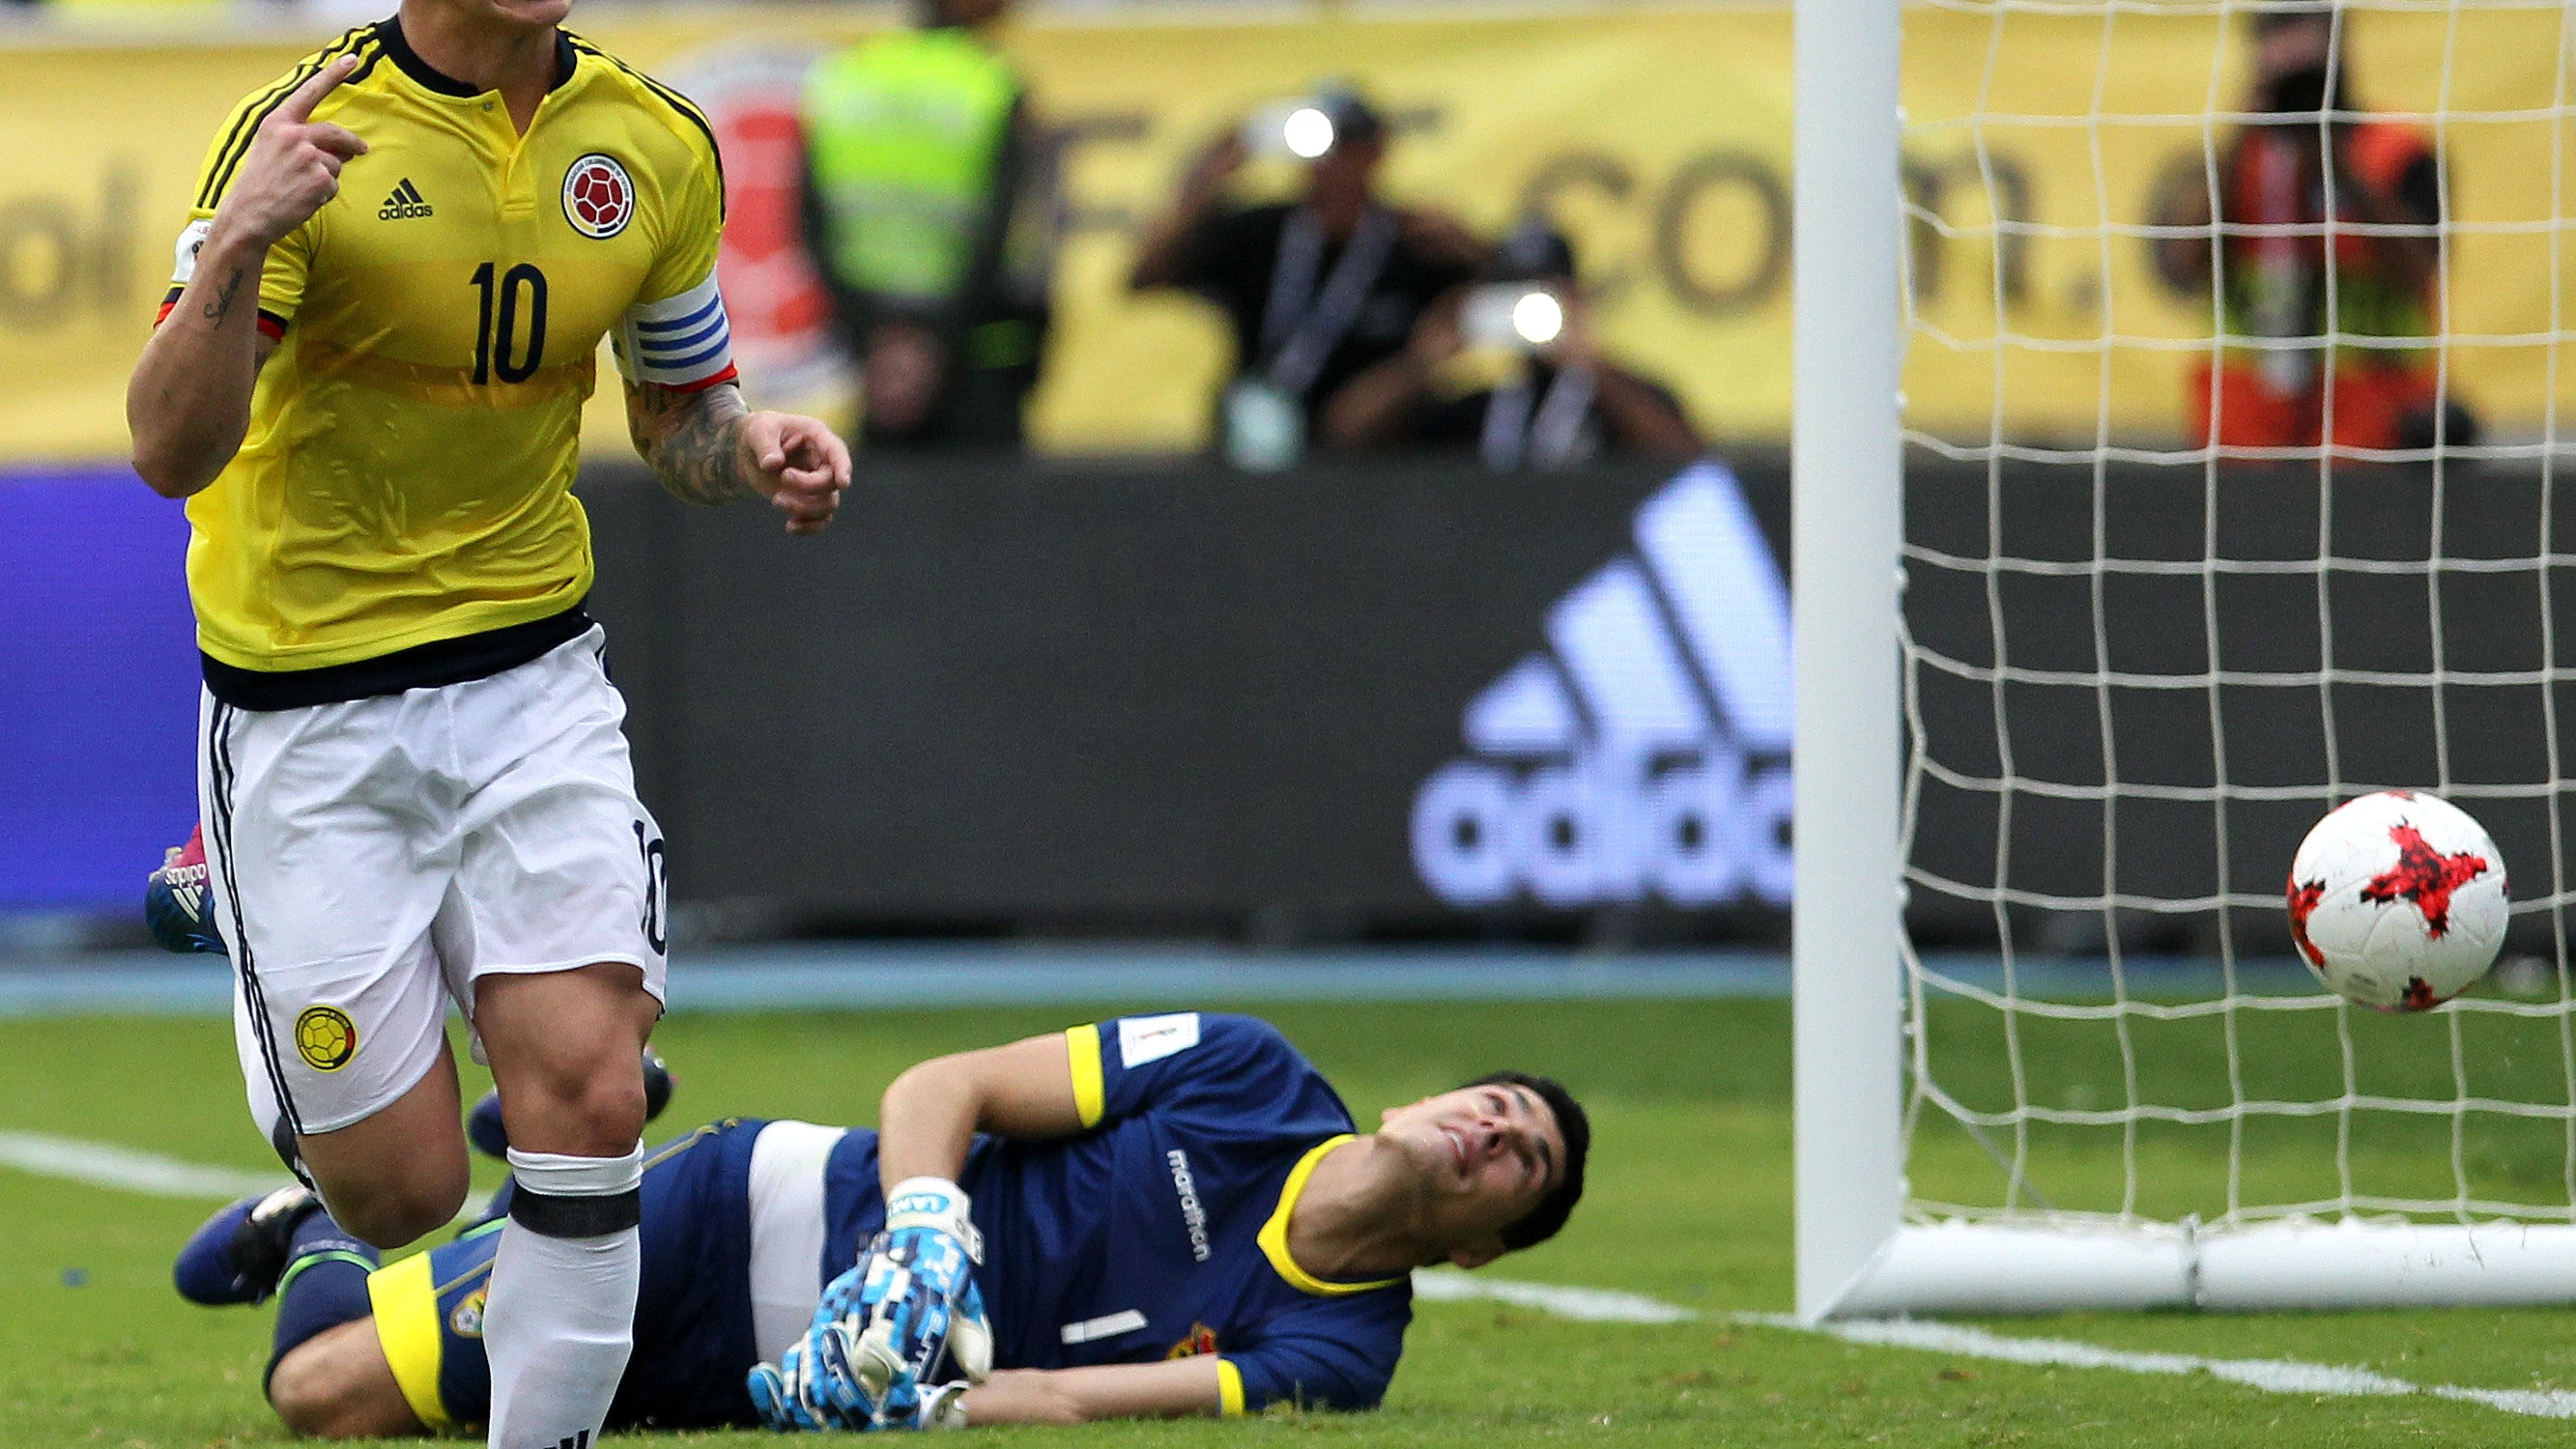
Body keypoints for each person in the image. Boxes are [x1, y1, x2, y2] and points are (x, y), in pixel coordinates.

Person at [125, 6, 853, 1447]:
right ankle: (242, 889)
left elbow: (680, 407)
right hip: (308, 709)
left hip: (531, 679)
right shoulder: (306, 127)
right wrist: (243, 242)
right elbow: (166, 448)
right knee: (402, 1197)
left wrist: (747, 441)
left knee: (584, 1101)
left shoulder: (650, 143)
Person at [172, 1011, 1589, 1435]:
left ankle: (543, 1172)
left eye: (1519, 1158)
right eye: (1496, 1100)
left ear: (1477, 1246)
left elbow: (1070, 1399)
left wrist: (909, 1407)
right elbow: (947, 1083)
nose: (1493, 1127)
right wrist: (924, 1229)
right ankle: (313, 1228)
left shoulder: (1341, 1351)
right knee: (322, 1393)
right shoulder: (1248, 1077)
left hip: (795, 1377)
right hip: (746, 1215)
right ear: (1427, 1095)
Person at [2151, 2, 2470, 453]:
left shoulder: (2398, 152)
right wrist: (2245, 130)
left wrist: (2344, 168)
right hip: (2246, 431)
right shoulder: (2233, 161)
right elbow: (2182, 266)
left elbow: (2419, 273)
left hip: (2375, 429)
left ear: (2341, 59)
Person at [1128, 88, 1482, 467]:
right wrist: (1212, 174)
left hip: (1375, 455)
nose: (1333, 161)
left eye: (1348, 145)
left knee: (1364, 419)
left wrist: (1474, 251)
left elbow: (1502, 308)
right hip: (1257, 444)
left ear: (1377, 152)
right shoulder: (1261, 232)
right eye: (1320, 145)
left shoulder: (1414, 241)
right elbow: (1144, 276)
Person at [800, 0, 1057, 451]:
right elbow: (1013, 233)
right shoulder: (992, 84)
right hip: (980, 359)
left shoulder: (846, 76)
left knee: (878, 513)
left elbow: (809, 222)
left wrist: (878, 337)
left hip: (879, 366)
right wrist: (934, 340)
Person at [1320, 220, 1701, 467]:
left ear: (1575, 300)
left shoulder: (1623, 400)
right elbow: (1345, 432)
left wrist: (1591, 368)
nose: (1526, 309)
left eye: (1541, 295)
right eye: (1512, 293)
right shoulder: (1480, 407)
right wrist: (1420, 363)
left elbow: (1690, 462)